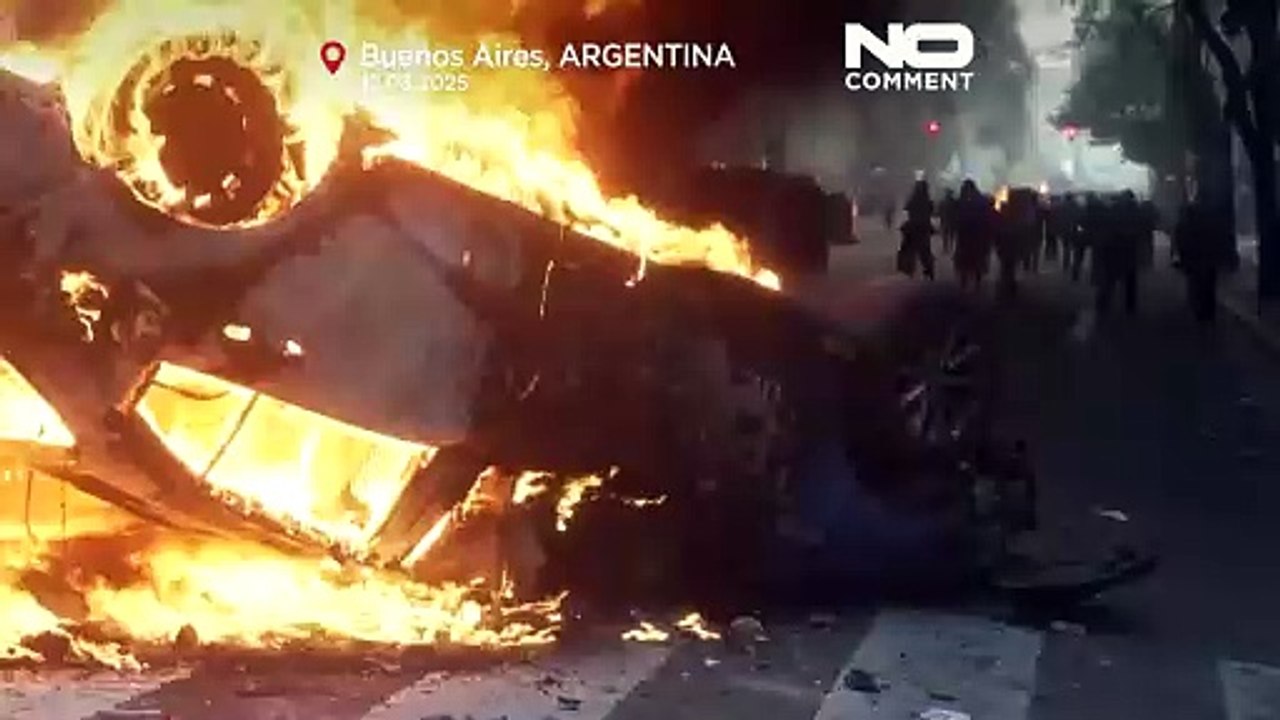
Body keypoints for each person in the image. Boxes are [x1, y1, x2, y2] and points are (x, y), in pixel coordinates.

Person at [1174, 199, 1233, 325]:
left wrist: (1181, 257)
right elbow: (1220, 240)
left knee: (1196, 284)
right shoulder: (1211, 224)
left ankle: (1200, 312)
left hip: (1194, 259)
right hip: (1209, 259)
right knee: (1209, 285)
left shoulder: (1184, 225)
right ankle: (1209, 312)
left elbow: (1180, 242)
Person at [1095, 191, 1142, 316]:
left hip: (1115, 247)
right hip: (1127, 247)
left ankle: (1103, 303)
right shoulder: (1136, 211)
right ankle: (1129, 306)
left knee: (1111, 278)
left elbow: (1107, 227)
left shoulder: (1114, 209)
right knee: (1128, 279)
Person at [953, 180, 993, 291]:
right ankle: (976, 283)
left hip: (967, 234)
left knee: (966, 259)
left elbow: (957, 217)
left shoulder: (962, 201)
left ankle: (965, 282)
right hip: (978, 234)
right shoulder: (981, 201)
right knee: (977, 258)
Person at [898, 180, 936, 279]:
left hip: (913, 226)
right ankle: (929, 269)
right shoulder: (928, 200)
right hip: (924, 227)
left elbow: (906, 208)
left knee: (909, 248)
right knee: (925, 249)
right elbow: (932, 211)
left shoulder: (913, 199)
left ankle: (909, 269)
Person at [939, 188, 958, 254]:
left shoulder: (942, 202)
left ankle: (946, 248)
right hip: (951, 221)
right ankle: (950, 248)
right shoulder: (954, 202)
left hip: (946, 220)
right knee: (950, 235)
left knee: (946, 235)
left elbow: (940, 212)